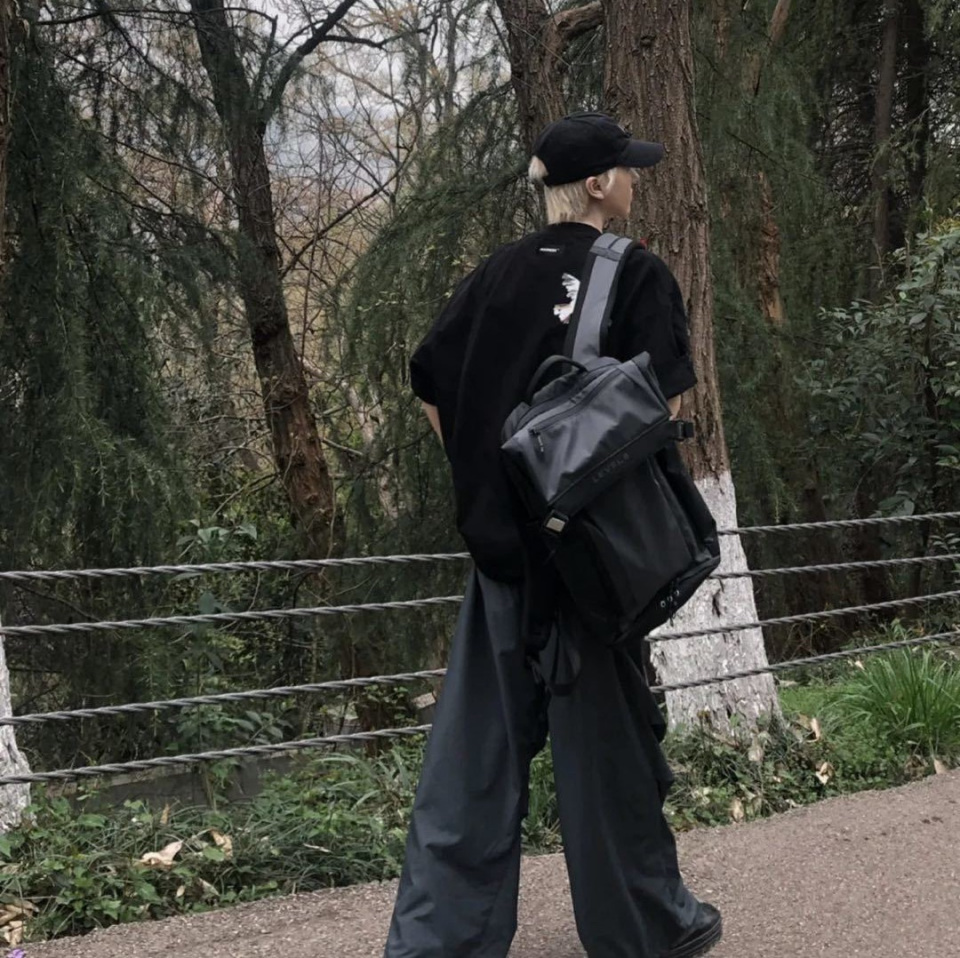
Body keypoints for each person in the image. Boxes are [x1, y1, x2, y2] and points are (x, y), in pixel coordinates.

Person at [383, 111, 723, 958]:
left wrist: (497, 480)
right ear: (598, 185)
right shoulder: (635, 273)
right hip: (591, 567)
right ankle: (643, 931)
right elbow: (663, 413)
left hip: (502, 566)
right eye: (627, 169)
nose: (635, 180)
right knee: (609, 759)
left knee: (471, 766)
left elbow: (431, 389)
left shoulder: (493, 274)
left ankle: (437, 945)